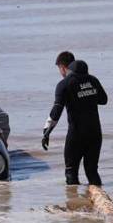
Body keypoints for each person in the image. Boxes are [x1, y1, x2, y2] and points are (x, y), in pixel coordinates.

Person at [42, 52, 108, 185]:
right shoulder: (93, 80)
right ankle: (98, 195)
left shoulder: (64, 84)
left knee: (71, 172)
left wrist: (47, 132)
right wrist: (87, 95)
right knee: (92, 171)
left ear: (62, 67)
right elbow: (103, 100)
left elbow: (57, 111)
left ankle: (74, 198)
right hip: (95, 133)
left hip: (76, 134)